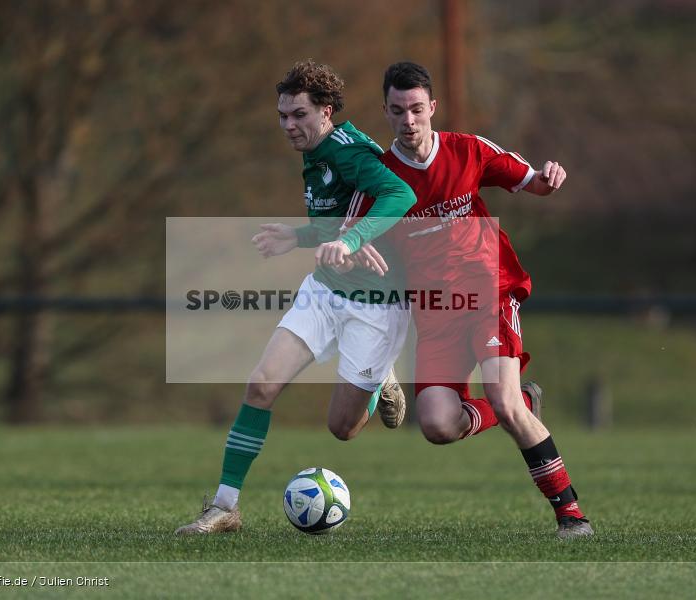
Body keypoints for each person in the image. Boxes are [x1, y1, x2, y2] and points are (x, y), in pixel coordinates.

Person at [175, 60, 417, 535]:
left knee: (343, 430)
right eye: (283, 115)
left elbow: (399, 195)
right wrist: (300, 237)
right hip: (324, 291)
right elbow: (338, 223)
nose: (289, 125)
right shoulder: (315, 151)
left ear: (326, 112)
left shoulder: (349, 152)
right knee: (261, 385)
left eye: (299, 115)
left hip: (376, 306)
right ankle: (226, 506)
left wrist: (348, 243)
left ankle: (380, 378)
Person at [375, 61, 593, 539]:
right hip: (435, 314)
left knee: (503, 399)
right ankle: (522, 400)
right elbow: (355, 241)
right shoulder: (379, 177)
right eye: (397, 111)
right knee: (436, 424)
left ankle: (571, 516)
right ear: (386, 113)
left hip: (489, 291)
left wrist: (549, 179)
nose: (408, 120)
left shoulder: (468, 150)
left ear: (432, 107)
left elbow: (531, 180)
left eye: (416, 109)